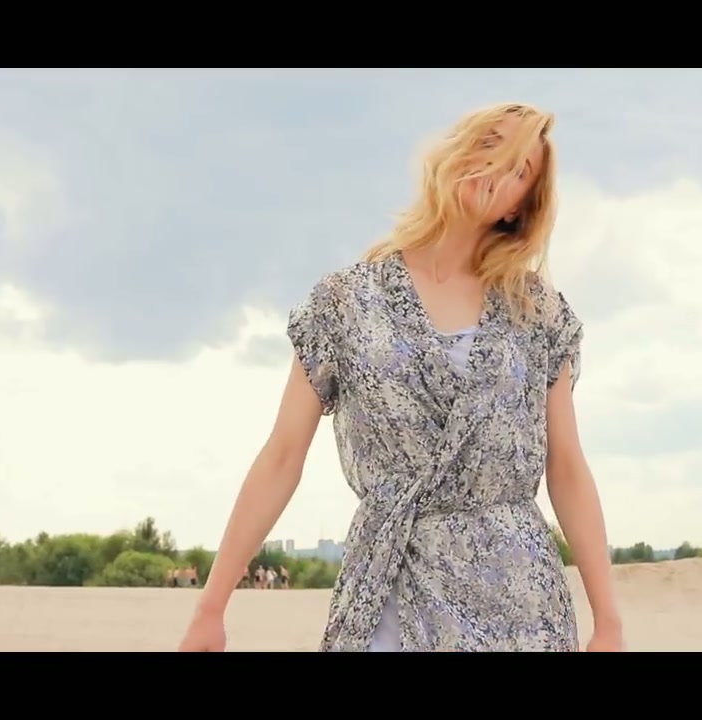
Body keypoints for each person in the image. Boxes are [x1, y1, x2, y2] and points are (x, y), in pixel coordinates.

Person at [178, 102, 623, 652]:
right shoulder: (345, 304)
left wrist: (608, 621)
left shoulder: (538, 314)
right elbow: (282, 456)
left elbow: (568, 467)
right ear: (457, 150)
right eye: (491, 143)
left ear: (519, 207)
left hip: (519, 607)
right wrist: (211, 606)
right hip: (387, 590)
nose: (496, 169)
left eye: (519, 171)